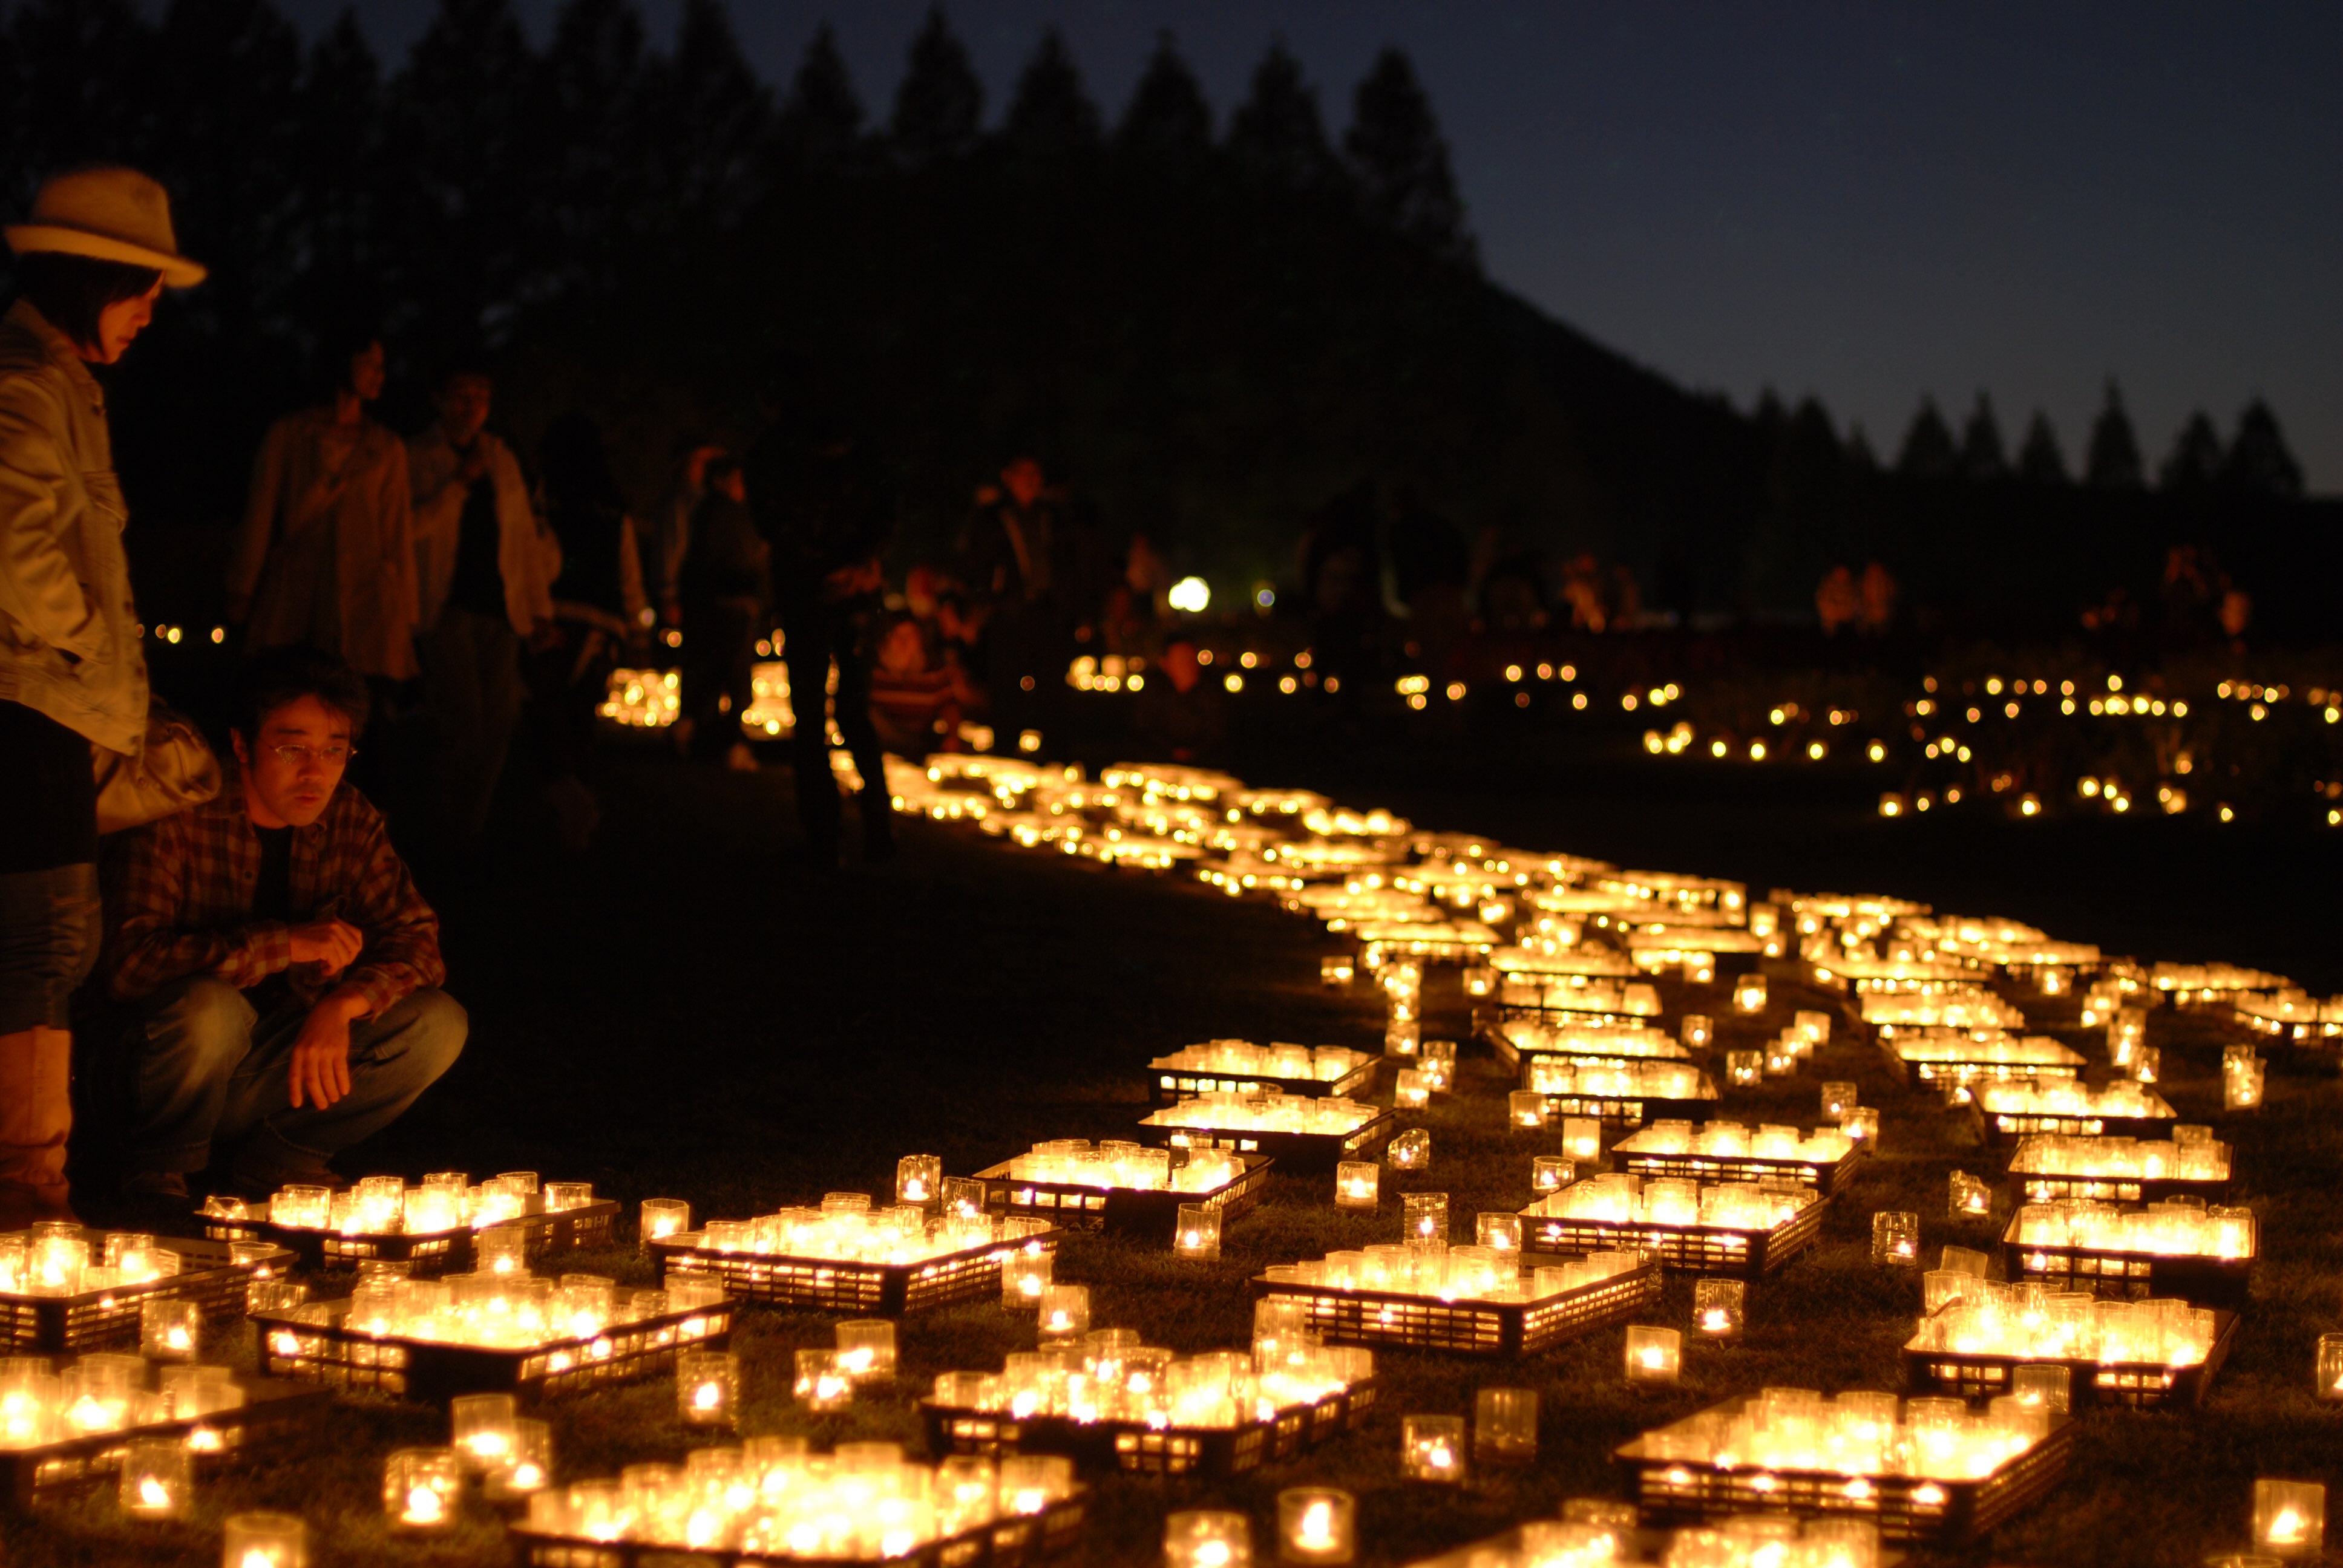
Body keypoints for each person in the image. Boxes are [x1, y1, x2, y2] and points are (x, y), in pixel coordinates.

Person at [0, 166, 203, 1227]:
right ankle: (26, 1187)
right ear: (90, 277)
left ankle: (32, 1178)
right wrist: (86, 648)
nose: (151, 312)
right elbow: (15, 548)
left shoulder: (64, 385)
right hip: (26, 704)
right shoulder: (24, 381)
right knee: (42, 938)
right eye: (142, 287)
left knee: (52, 940)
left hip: (53, 703)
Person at [95, 646, 465, 1207]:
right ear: (242, 744)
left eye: (334, 752)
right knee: (210, 1008)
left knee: (438, 1024)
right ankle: (157, 1167)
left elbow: (418, 940)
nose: (315, 773)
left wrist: (343, 1004)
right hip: (160, 1068)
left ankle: (278, 1161)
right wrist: (283, 944)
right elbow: (129, 965)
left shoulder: (348, 816)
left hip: (267, 1066)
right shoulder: (180, 813)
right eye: (292, 748)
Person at [408, 366, 560, 852]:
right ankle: (441, 824)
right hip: (447, 605)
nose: (471, 406)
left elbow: (522, 542)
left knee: (498, 722)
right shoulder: (416, 457)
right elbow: (407, 531)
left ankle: (467, 829)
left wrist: (539, 610)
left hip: (501, 609)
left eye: (481, 396)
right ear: (439, 399)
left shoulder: (501, 458)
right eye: (461, 395)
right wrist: (457, 484)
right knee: (462, 718)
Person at [226, 327, 419, 684]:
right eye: (370, 364)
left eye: (382, 366)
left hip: (365, 597)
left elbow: (396, 531)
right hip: (299, 587)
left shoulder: (386, 447)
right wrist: (243, 588)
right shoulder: (289, 435)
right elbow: (261, 514)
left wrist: (405, 613)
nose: (380, 375)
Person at [753, 421, 892, 864]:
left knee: (817, 716)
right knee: (845, 713)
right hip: (847, 595)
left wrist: (828, 569)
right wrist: (857, 565)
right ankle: (871, 832)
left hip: (817, 596)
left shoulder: (785, 461)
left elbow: (774, 522)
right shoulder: (864, 463)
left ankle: (832, 834)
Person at [531, 412, 647, 848]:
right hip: (602, 629)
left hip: (554, 620)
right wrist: (634, 632)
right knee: (578, 720)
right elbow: (628, 575)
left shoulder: (544, 502)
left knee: (548, 716)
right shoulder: (614, 512)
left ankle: (567, 805)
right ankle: (576, 808)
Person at [677, 453, 768, 771]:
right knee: (730, 677)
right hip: (728, 605)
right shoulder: (723, 514)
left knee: (716, 677)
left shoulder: (712, 513)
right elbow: (723, 561)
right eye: (738, 480)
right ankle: (725, 745)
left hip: (722, 605)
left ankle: (705, 740)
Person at [867, 614, 972, 757]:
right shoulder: (874, 673)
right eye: (898, 636)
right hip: (881, 746)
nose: (904, 642)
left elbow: (950, 708)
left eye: (910, 636)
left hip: (920, 743)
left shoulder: (935, 674)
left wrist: (952, 736)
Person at [651, 437, 724, 629]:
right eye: (701, 461)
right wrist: (669, 596)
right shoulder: (681, 502)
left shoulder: (706, 500)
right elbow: (671, 545)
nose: (707, 468)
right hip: (691, 593)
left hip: (709, 592)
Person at [1130, 637, 1227, 765]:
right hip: (1157, 763)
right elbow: (1142, 730)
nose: (1187, 664)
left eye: (1191, 658)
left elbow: (1218, 733)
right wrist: (1170, 751)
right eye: (1181, 659)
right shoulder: (1153, 692)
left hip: (1206, 764)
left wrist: (1193, 752)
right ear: (1165, 663)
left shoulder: (1212, 692)